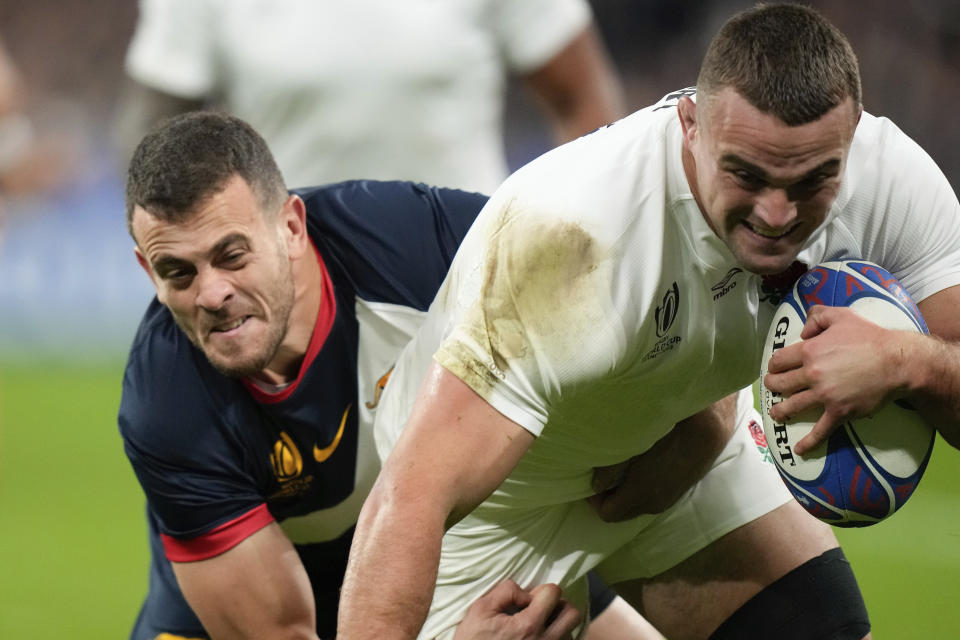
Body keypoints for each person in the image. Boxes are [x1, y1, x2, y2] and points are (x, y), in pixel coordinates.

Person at [337, 4, 960, 640]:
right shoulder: (572, 236)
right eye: (746, 175)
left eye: (811, 179)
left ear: (852, 134)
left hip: (675, 445)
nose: (777, 213)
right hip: (494, 514)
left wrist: (908, 360)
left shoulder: (892, 187)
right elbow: (412, 499)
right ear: (690, 123)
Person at [119, 111, 662, 640]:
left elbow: (606, 266)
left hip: (450, 548)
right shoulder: (166, 404)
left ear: (290, 227)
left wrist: (696, 418)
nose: (211, 294)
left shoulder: (409, 244)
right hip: (241, 612)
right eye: (179, 273)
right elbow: (282, 631)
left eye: (232, 256)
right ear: (148, 269)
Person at [114, 0, 625, 193]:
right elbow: (150, 140)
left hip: (468, 297)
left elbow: (583, 102)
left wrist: (590, 238)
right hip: (289, 306)